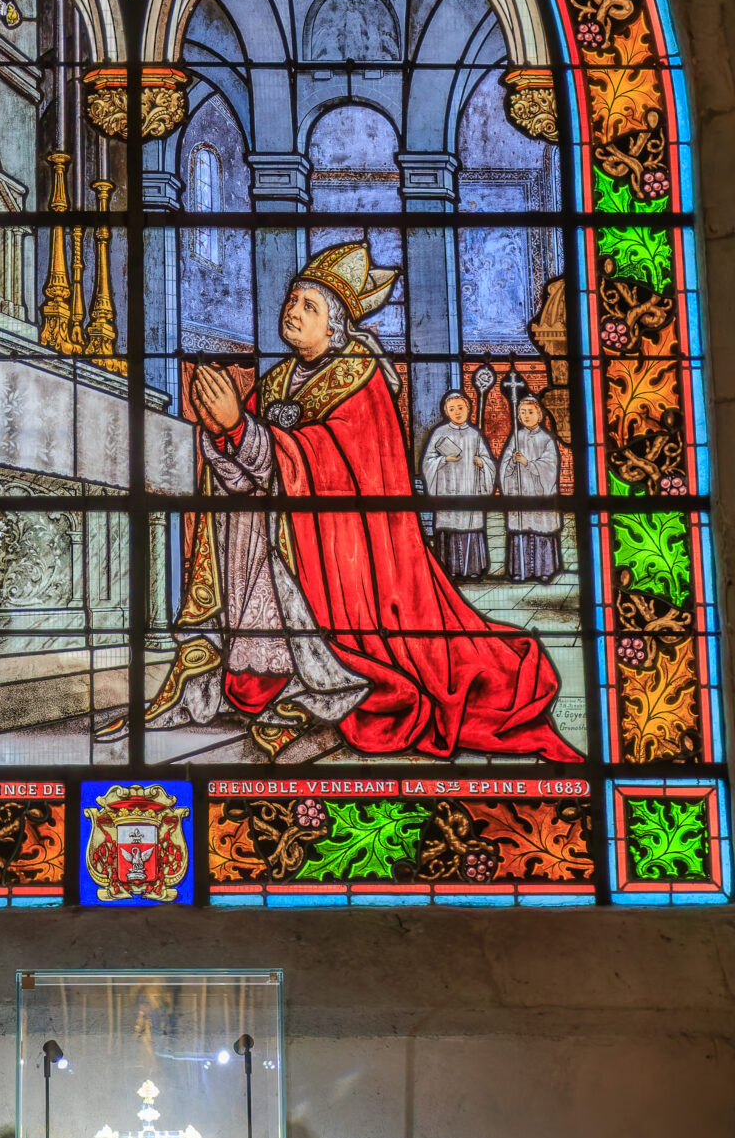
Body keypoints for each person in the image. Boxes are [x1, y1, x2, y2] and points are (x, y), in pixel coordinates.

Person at [149, 241, 577, 762]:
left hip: (338, 556)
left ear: (335, 327)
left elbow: (333, 462)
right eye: (293, 299)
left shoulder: (360, 377)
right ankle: (272, 681)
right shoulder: (276, 379)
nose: (293, 311)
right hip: (264, 541)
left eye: (309, 305)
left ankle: (316, 687)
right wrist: (224, 435)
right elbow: (246, 469)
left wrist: (241, 428)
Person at [421, 390, 496, 581]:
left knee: (470, 526)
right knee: (450, 527)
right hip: (447, 489)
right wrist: (444, 459)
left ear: (468, 409)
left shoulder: (474, 434)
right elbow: (428, 463)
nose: (457, 412)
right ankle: (450, 569)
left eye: (460, 408)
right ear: (446, 411)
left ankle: (472, 569)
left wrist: (482, 462)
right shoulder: (440, 433)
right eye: (452, 409)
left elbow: (487, 461)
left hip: (469, 488)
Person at [499, 393, 563, 582]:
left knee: (541, 531)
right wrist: (512, 462)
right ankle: (521, 571)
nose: (526, 416)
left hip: (540, 493)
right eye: (522, 412)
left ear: (539, 415)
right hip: (520, 491)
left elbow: (550, 466)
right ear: (518, 416)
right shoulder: (516, 437)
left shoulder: (546, 439)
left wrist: (528, 463)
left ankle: (545, 570)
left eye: (530, 412)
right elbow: (504, 466)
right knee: (522, 530)